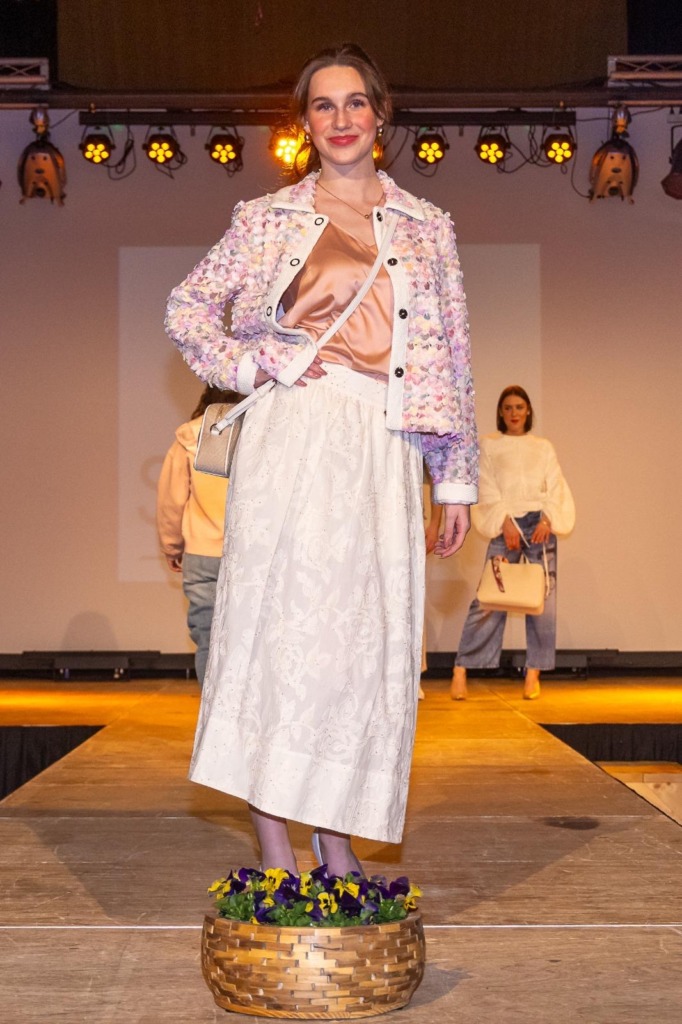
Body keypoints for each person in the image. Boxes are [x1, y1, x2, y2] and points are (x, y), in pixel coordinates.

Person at [165, 43, 477, 877]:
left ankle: (336, 835)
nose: (341, 119)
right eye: (323, 105)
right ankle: (275, 842)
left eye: (355, 103)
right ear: (305, 123)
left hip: (383, 447)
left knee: (362, 650)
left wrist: (453, 478)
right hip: (295, 437)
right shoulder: (267, 217)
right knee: (278, 636)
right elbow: (188, 308)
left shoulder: (426, 226)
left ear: (381, 113)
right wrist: (251, 366)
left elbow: (451, 356)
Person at [451, 385, 575, 701]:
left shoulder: (543, 447)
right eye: (508, 408)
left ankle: (534, 673)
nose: (514, 413)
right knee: (488, 599)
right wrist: (504, 520)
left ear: (528, 410)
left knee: (542, 599)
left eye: (519, 407)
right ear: (501, 412)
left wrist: (548, 519)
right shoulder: (489, 445)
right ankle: (461, 668)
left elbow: (555, 486)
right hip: (506, 524)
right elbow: (486, 485)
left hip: (539, 526)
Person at [156, 385, 236, 685]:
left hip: (203, 554)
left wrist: (171, 546)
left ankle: (211, 714)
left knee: (208, 640)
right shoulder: (266, 431)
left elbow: (172, 501)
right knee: (251, 642)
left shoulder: (190, 437)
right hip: (253, 553)